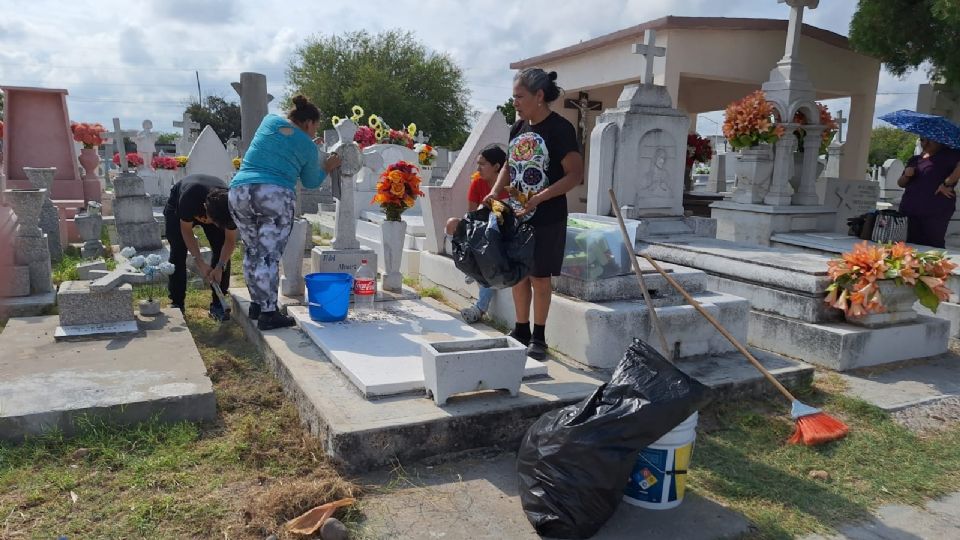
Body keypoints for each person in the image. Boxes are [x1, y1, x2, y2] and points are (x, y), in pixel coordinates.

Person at [484, 68, 583, 359]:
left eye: (519, 96)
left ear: (539, 96)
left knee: (539, 277)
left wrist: (539, 198)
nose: (514, 102)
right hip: (517, 213)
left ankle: (539, 337)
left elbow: (575, 174)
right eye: (513, 96)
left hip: (547, 215)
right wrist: (496, 191)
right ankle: (521, 329)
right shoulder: (518, 128)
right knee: (519, 274)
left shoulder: (560, 129)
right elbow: (508, 164)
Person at [229, 95, 342, 330]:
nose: (314, 132)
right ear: (309, 123)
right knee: (268, 255)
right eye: (315, 127)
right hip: (273, 196)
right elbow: (311, 181)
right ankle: (269, 313)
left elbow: (284, 142)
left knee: (252, 251)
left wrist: (309, 145)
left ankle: (257, 304)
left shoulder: (269, 121)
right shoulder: (307, 146)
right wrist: (327, 167)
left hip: (239, 192)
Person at [444, 144, 509, 323]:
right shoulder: (478, 183)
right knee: (452, 224)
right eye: (478, 164)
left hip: (501, 237)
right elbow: (471, 217)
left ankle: (480, 308)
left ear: (497, 166)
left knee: (487, 258)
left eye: (482, 164)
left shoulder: (510, 186)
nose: (478, 168)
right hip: (481, 233)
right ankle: (468, 265)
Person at [163, 174, 238, 319]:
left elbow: (229, 241)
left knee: (221, 250)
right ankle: (177, 302)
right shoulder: (189, 199)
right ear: (204, 208)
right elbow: (186, 231)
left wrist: (220, 266)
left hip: (216, 209)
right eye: (209, 220)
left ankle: (218, 303)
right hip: (178, 205)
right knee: (178, 251)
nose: (207, 223)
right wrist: (200, 263)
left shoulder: (230, 208)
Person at [898, 137, 960, 248]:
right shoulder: (915, 159)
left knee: (933, 245)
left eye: (930, 140)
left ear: (940, 140)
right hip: (910, 208)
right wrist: (906, 175)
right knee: (911, 245)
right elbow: (901, 183)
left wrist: (947, 183)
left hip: (935, 210)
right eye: (922, 140)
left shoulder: (950, 155)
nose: (925, 143)